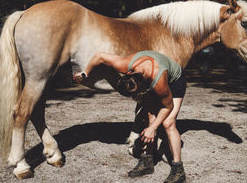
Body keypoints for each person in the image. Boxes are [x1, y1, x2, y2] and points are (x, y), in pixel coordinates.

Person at [74, 50, 187, 183]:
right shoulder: (124, 64)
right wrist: (84, 73)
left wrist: (154, 128)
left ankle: (178, 170)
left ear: (143, 88)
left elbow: (168, 107)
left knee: (168, 123)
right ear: (128, 73)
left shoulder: (159, 82)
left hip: (175, 82)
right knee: (150, 118)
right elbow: (99, 56)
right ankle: (147, 162)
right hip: (149, 75)